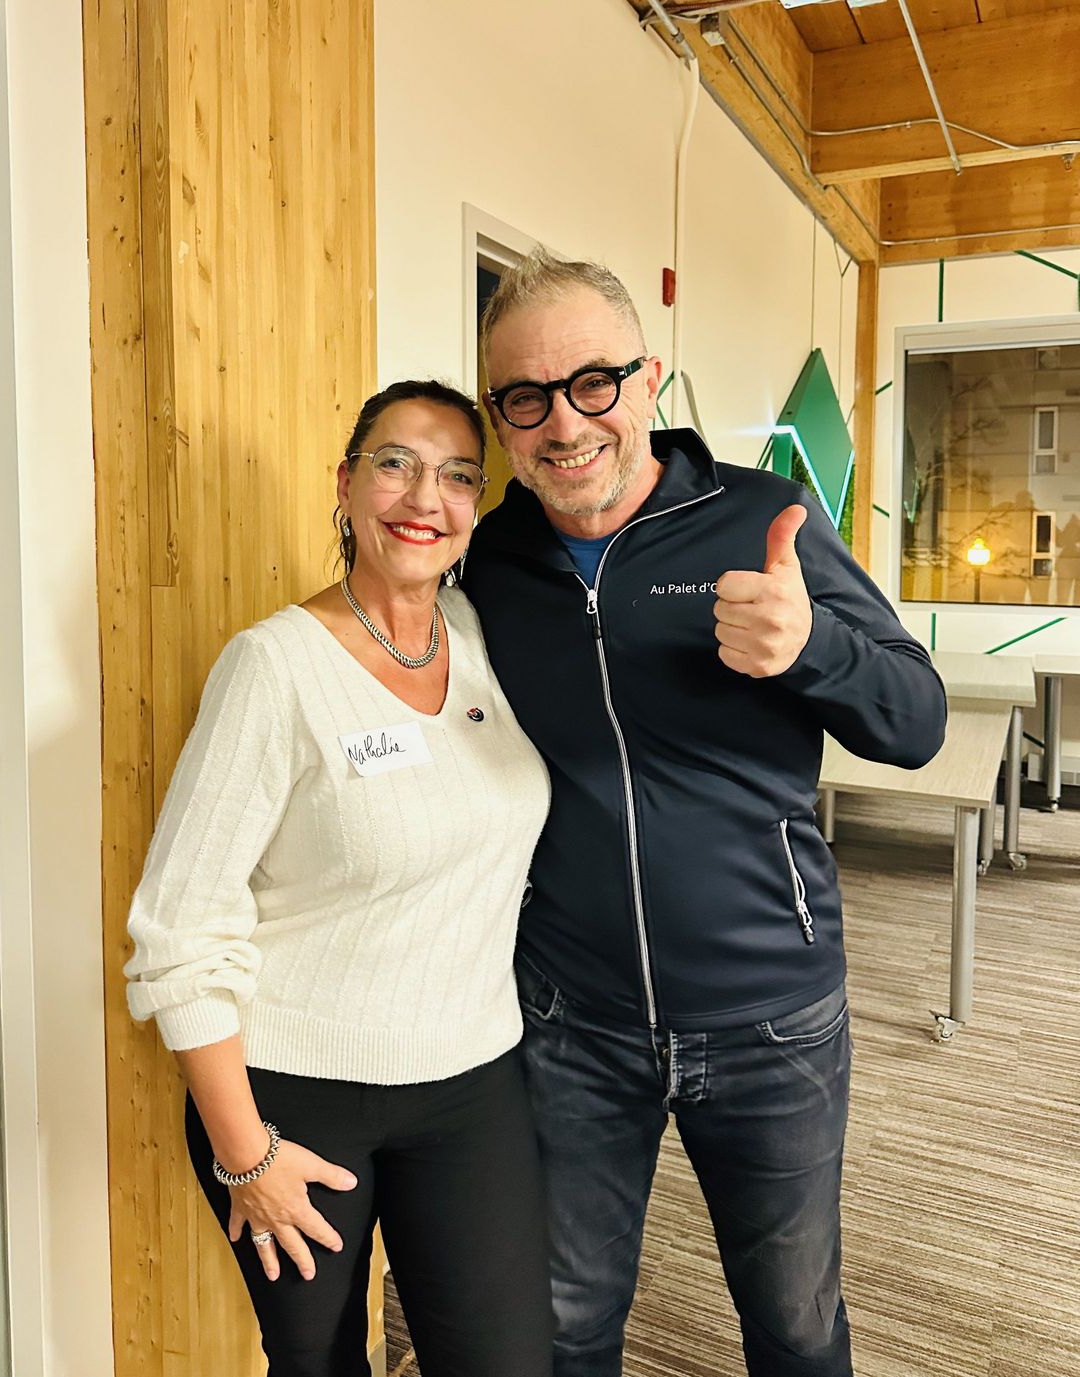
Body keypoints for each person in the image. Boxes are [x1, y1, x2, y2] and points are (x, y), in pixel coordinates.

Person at [462, 248, 948, 1377]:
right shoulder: (490, 562)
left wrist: (813, 649)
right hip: (570, 1020)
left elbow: (916, 720)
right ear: (499, 416)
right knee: (564, 1326)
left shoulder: (762, 518)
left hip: (771, 1013)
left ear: (648, 378)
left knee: (794, 1324)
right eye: (525, 398)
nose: (564, 423)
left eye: (593, 382)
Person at [124, 379, 554, 1377]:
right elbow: (178, 930)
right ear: (346, 483)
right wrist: (247, 1154)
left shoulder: (479, 638)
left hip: (474, 1076)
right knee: (318, 1361)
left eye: (458, 475)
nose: (425, 497)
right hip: (298, 1092)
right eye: (395, 463)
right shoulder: (273, 667)